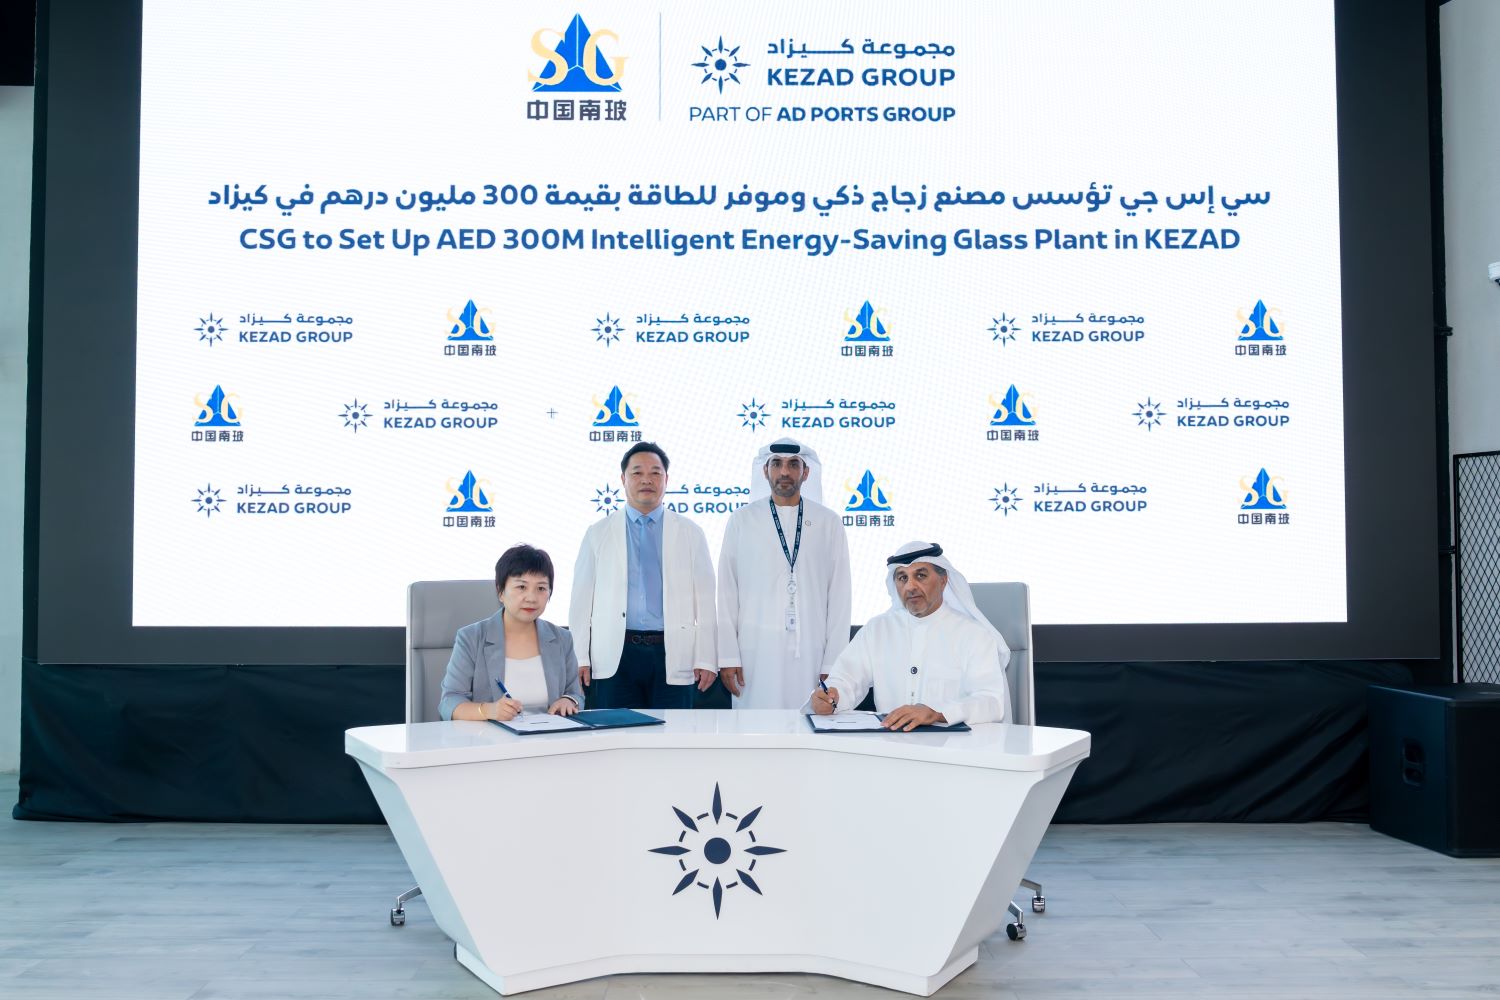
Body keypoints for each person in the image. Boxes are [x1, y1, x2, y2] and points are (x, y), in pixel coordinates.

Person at [569, 442, 717, 709]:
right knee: (617, 732)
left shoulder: (691, 533)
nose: (646, 480)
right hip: (616, 653)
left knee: (674, 731)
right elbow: (580, 602)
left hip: (672, 651)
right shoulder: (598, 533)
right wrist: (580, 657)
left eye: (655, 473)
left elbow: (706, 602)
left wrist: (706, 658)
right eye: (637, 472)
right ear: (623, 479)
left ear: (666, 480)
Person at [812, 541, 1010, 729]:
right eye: (902, 578)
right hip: (890, 745)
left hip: (953, 748)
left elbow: (991, 701)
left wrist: (937, 713)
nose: (910, 586)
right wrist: (831, 697)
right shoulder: (878, 629)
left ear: (943, 580)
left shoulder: (974, 634)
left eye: (920, 575)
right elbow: (845, 678)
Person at [717, 438, 851, 709]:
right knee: (755, 724)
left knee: (808, 721)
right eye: (776, 464)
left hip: (811, 650)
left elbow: (840, 595)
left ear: (806, 472)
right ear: (765, 471)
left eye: (793, 465)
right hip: (754, 651)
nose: (785, 472)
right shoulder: (742, 520)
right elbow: (727, 591)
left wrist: (833, 663)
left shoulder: (828, 522)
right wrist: (728, 656)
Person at [439, 544, 584, 722]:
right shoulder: (471, 638)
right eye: (521, 587)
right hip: (490, 737)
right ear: (500, 591)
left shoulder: (562, 638)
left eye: (541, 588)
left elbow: (575, 694)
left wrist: (568, 700)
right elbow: (449, 702)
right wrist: (487, 711)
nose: (531, 598)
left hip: (549, 735)